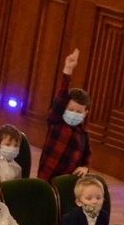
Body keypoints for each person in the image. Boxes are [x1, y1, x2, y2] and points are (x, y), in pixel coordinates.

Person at [37, 48, 92, 181]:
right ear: (64, 109)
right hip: (47, 179)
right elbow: (61, 96)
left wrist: (85, 167)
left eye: (78, 112)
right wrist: (68, 70)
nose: (74, 114)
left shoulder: (83, 134)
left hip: (68, 182)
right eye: (71, 109)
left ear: (85, 113)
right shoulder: (56, 121)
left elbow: (87, 155)